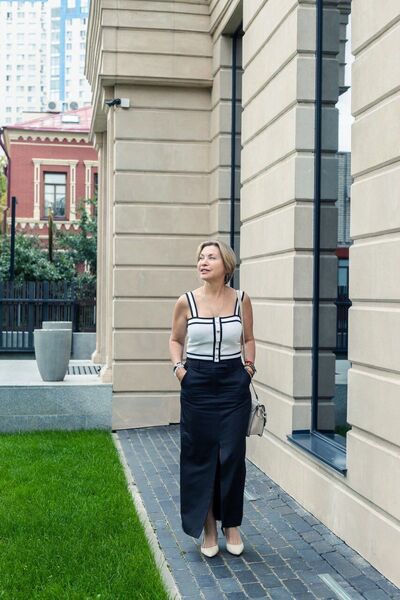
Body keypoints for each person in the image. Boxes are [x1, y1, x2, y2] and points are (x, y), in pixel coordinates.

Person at [169, 240, 256, 557]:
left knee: (232, 456)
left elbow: (248, 338)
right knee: (199, 457)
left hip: (233, 385)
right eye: (201, 257)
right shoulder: (186, 302)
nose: (203, 262)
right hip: (198, 384)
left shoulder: (241, 300)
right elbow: (175, 340)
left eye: (211, 257)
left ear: (226, 265)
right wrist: (180, 371)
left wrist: (248, 369)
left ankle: (231, 525)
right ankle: (208, 528)